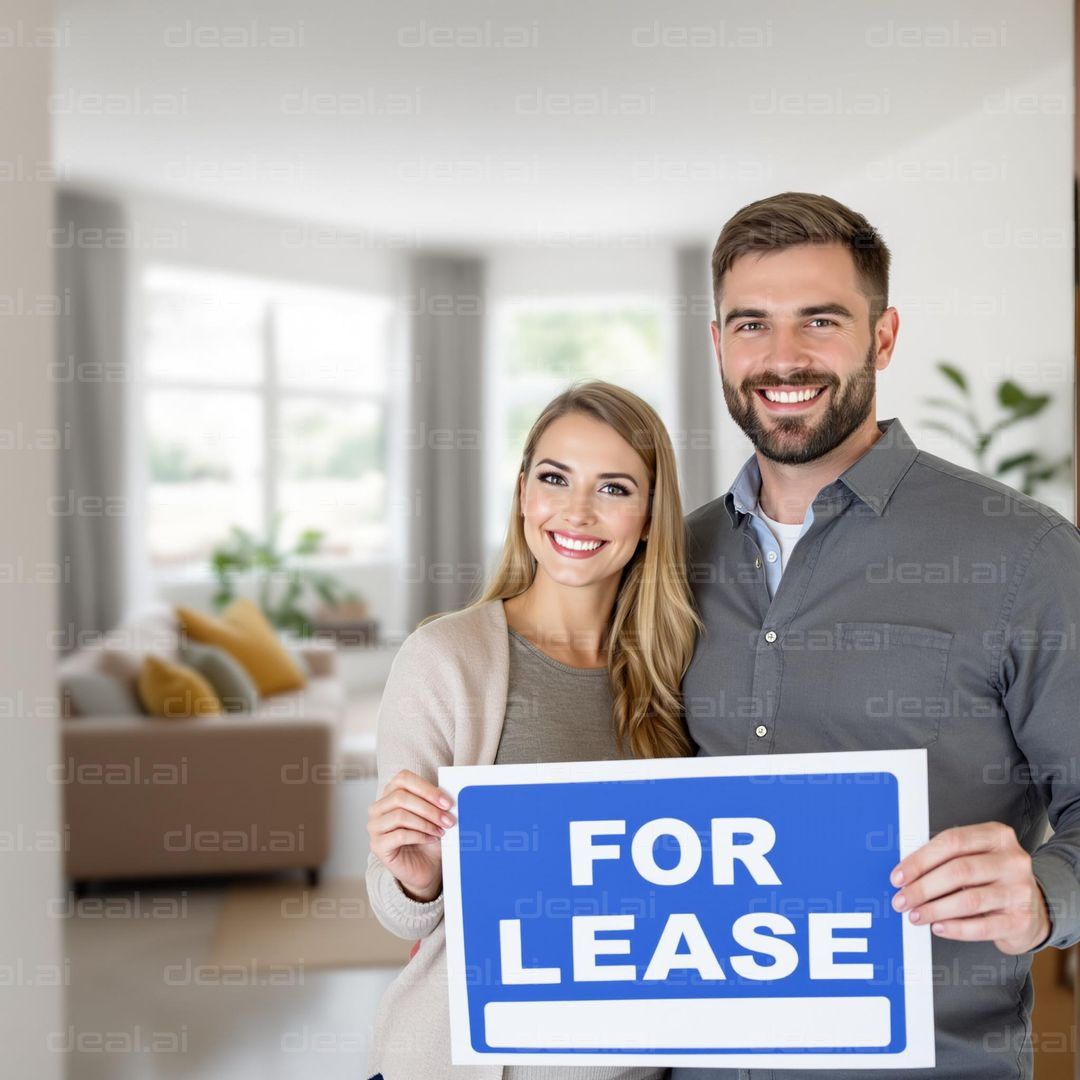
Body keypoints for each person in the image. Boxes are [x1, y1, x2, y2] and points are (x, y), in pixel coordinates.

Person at [675, 191, 1080, 1079]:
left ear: (883, 338)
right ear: (718, 345)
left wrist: (1049, 895)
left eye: (820, 320)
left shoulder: (1025, 554)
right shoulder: (669, 559)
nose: (782, 358)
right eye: (751, 325)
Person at [365, 379, 702, 1080]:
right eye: (555, 478)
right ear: (524, 493)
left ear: (648, 517)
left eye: (613, 488)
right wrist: (420, 878)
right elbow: (404, 918)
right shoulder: (446, 658)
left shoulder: (679, 674)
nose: (577, 511)